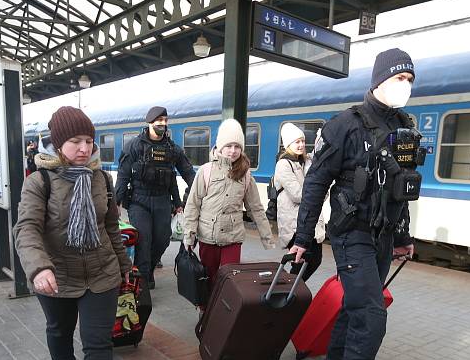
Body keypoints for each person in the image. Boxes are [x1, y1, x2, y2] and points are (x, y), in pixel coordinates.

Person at [290, 48, 418, 360]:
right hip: (351, 233)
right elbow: (315, 184)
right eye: (399, 78)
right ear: (378, 80)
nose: (405, 87)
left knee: (355, 306)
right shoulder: (344, 126)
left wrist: (402, 236)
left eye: (410, 80)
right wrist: (302, 236)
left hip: (382, 233)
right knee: (372, 313)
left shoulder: (406, 127)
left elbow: (404, 186)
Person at [14, 106, 132, 360]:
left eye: (89, 141)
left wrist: (124, 267)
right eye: (75, 141)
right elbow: (27, 228)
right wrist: (38, 268)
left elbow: (111, 227)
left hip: (101, 273)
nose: (84, 149)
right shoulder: (39, 181)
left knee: (98, 342)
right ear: (57, 143)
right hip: (57, 275)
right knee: (59, 329)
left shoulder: (101, 179)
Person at [183, 119, 276, 286]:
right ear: (220, 147)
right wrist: (188, 236)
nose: (233, 151)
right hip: (208, 236)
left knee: (230, 279)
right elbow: (193, 205)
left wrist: (267, 237)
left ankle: (225, 310)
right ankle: (206, 310)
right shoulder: (206, 171)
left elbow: (256, 209)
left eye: (237, 147)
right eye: (228, 146)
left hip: (233, 238)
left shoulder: (246, 175)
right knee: (208, 278)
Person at [115, 105, 195, 289]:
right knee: (144, 240)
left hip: (162, 201)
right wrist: (115, 203)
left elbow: (188, 172)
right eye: (159, 121)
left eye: (165, 121)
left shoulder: (172, 149)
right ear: (150, 122)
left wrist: (200, 190)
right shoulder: (134, 146)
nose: (163, 124)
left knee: (162, 239)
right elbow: (123, 176)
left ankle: (147, 269)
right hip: (139, 201)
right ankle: (142, 286)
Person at [274, 122, 325, 281]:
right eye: (297, 142)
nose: (301, 144)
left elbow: (321, 181)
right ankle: (289, 293)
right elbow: (297, 194)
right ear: (288, 144)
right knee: (303, 261)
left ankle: (291, 293)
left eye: (303, 141)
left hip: (310, 221)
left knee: (313, 260)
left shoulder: (307, 161)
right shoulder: (283, 164)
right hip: (293, 224)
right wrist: (318, 193)